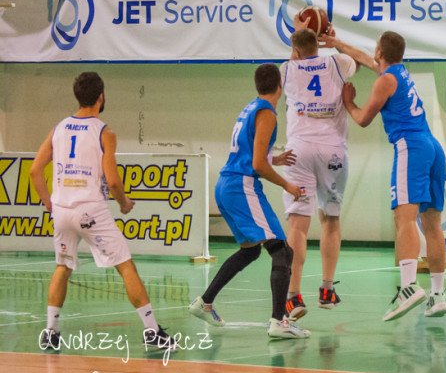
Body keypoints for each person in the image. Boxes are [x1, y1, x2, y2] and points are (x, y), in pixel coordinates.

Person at [29, 72, 177, 352]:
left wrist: (49, 202)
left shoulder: (58, 129)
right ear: (101, 97)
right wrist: (123, 203)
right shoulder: (104, 132)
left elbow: (35, 171)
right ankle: (152, 332)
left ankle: (50, 331)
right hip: (90, 210)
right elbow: (113, 181)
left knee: (62, 267)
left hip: (61, 210)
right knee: (125, 266)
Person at [188, 64, 311, 339]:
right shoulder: (267, 112)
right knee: (282, 251)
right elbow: (257, 164)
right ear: (280, 86)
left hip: (227, 184)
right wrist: (287, 184)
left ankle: (205, 302)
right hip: (242, 186)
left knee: (251, 250)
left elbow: (252, 154)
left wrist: (273, 159)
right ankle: (279, 321)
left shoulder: (250, 108)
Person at [341, 31, 446, 321]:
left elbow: (363, 119)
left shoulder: (384, 80)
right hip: (432, 146)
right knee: (432, 223)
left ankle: (409, 286)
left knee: (404, 217)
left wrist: (349, 101)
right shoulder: (399, 72)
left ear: (380, 52)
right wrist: (336, 43)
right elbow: (363, 58)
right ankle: (438, 295)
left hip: (410, 146)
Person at [278, 22, 376, 320]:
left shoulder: (286, 69)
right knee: (331, 219)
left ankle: (293, 297)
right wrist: (333, 41)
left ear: (295, 50)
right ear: (320, 44)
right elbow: (362, 60)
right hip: (332, 149)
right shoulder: (338, 61)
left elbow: (296, 62)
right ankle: (327, 289)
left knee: (298, 224)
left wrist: (300, 37)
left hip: (299, 151)